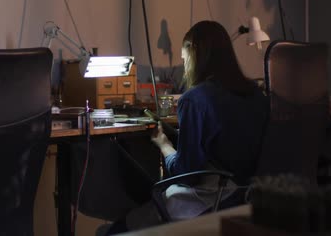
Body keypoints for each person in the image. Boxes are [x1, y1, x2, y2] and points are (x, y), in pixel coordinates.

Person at [100, 20, 270, 234]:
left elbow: (188, 173)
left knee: (113, 231)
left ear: (194, 51)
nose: (185, 65)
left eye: (184, 58)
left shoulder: (194, 99)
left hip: (214, 200)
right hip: (249, 198)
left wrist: (164, 145)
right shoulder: (257, 95)